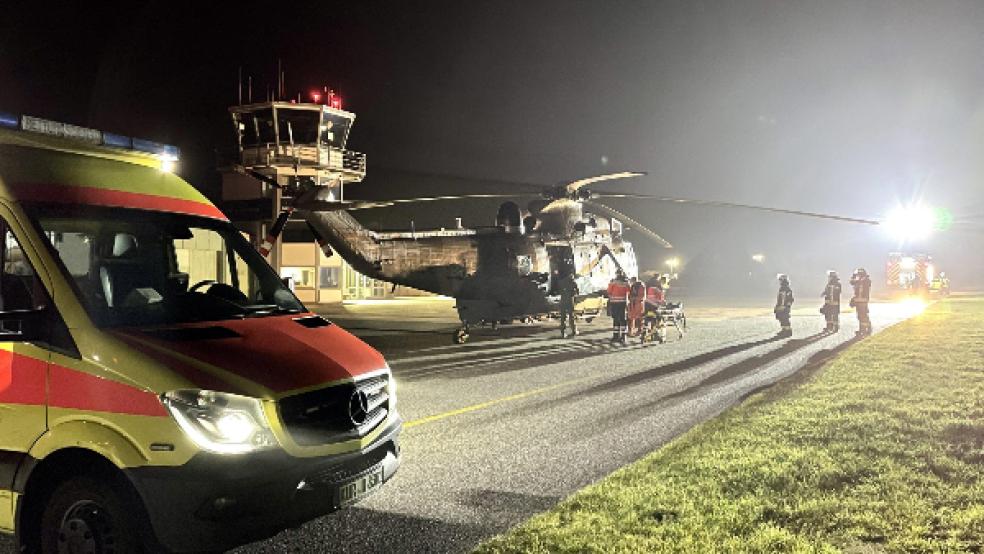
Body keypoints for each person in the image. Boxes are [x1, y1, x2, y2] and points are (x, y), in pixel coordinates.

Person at [607, 270, 629, 344]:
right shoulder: (626, 282)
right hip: (623, 303)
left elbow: (609, 291)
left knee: (616, 319)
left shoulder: (613, 282)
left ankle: (616, 336)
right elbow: (629, 290)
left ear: (616, 274)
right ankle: (623, 336)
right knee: (623, 320)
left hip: (615, 303)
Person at [849, 267, 871, 336]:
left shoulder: (865, 280)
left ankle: (865, 330)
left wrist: (854, 277)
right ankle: (863, 329)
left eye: (859, 274)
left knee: (863, 316)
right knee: (860, 316)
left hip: (862, 302)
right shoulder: (860, 280)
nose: (858, 276)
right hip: (859, 301)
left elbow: (855, 283)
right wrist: (853, 276)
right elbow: (851, 282)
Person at [558, 271, 579, 338]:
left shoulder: (561, 282)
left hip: (563, 300)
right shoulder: (573, 282)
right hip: (570, 301)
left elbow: (559, 290)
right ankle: (574, 330)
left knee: (563, 317)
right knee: (571, 316)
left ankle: (563, 332)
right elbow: (577, 292)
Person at [774, 273, 794, 337]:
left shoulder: (786, 289)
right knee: (781, 318)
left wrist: (786, 306)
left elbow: (790, 299)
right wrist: (777, 306)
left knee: (785, 318)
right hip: (781, 306)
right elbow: (780, 298)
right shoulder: (782, 288)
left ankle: (788, 331)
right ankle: (784, 330)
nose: (780, 281)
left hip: (784, 307)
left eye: (780, 280)